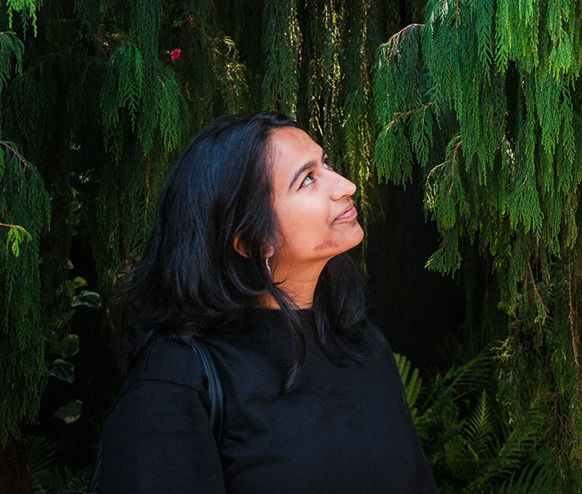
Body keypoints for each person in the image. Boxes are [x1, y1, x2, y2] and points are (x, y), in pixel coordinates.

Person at [90, 112, 438, 493]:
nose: (346, 186)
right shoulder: (176, 379)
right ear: (253, 241)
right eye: (308, 179)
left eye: (326, 164)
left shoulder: (360, 341)